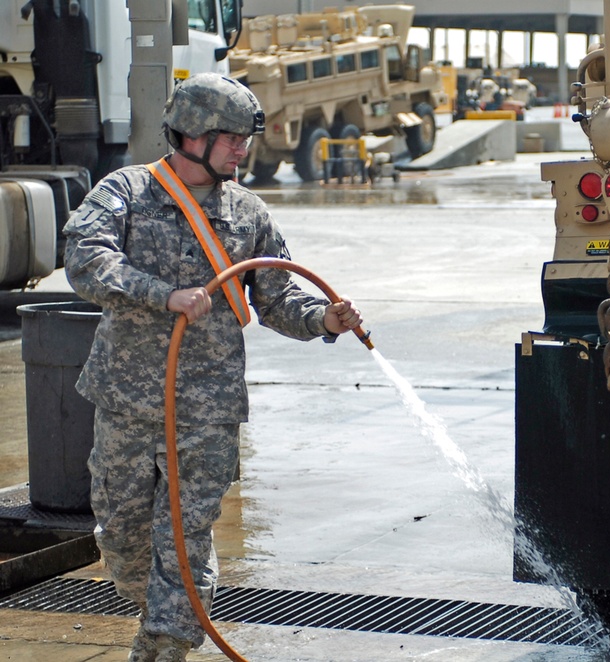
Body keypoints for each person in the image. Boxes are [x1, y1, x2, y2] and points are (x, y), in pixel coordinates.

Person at [62, 73, 362, 662]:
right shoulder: (126, 191)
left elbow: (276, 298)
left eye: (245, 137)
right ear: (191, 134)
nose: (241, 148)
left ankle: (165, 646)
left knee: (184, 538)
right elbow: (84, 258)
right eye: (229, 137)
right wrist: (163, 293)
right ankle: (159, 614)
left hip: (208, 408)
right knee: (120, 541)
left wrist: (325, 319)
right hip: (127, 400)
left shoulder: (248, 213)